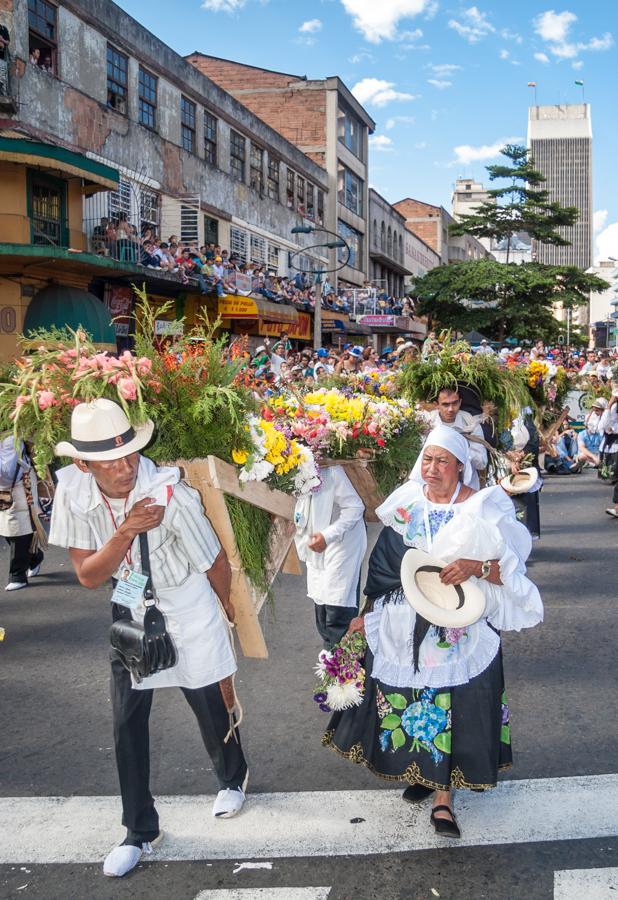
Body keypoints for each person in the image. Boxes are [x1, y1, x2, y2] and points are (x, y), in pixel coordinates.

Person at [49, 400, 248, 878]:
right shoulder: (73, 495)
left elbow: (212, 560)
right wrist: (127, 531)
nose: (123, 468)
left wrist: (228, 611)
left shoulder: (169, 494)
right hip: (131, 607)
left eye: (129, 455)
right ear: (82, 463)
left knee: (205, 697)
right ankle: (139, 830)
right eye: (109, 462)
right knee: (126, 721)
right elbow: (89, 575)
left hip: (185, 600)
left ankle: (232, 777)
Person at [322, 426, 543, 837]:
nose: (433, 469)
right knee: (417, 699)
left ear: (461, 467)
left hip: (462, 626)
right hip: (405, 622)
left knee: (452, 701)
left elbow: (509, 572)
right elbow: (384, 566)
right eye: (428, 459)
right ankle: (425, 773)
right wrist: (364, 614)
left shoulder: (482, 509)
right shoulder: (407, 506)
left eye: (443, 461)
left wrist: (474, 567)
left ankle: (444, 799)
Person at [294, 465, 367, 648]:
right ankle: (331, 658)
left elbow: (355, 507)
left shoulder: (332, 471)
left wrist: (328, 535)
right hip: (317, 546)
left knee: (338, 609)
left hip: (342, 546)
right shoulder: (293, 469)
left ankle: (345, 666)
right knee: (321, 606)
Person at [0, 435, 44, 591]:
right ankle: (34, 557)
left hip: (18, 482)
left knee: (18, 527)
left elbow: (7, 472)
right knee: (6, 529)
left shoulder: (9, 438)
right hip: (5, 484)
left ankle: (18, 575)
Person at [421, 388, 487, 489]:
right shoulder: (427, 423)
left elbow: (482, 462)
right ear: (436, 404)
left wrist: (461, 451)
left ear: (460, 402)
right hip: (431, 486)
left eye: (455, 403)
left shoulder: (470, 423)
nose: (451, 409)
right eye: (445, 404)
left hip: (466, 487)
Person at [577, 398, 607, 468]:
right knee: (582, 456)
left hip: (597, 455)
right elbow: (582, 448)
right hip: (588, 456)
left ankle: (596, 463)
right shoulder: (582, 434)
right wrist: (594, 457)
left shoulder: (599, 433)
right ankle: (594, 463)